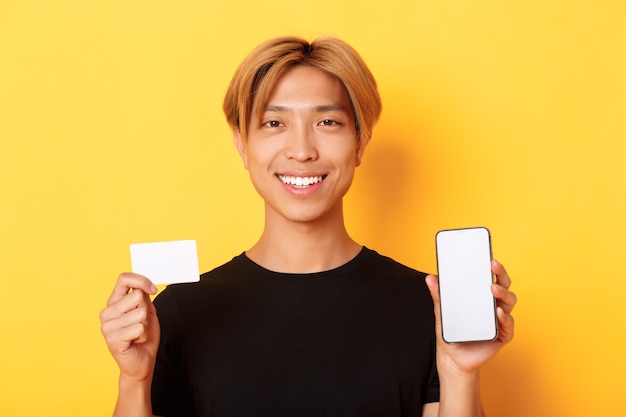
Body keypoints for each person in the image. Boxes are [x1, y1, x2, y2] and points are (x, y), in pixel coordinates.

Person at [99, 35, 517, 417]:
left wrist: (460, 372)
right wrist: (134, 380)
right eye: (274, 123)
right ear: (242, 145)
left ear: (361, 142)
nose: (301, 151)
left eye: (327, 122)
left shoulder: (430, 309)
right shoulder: (179, 312)